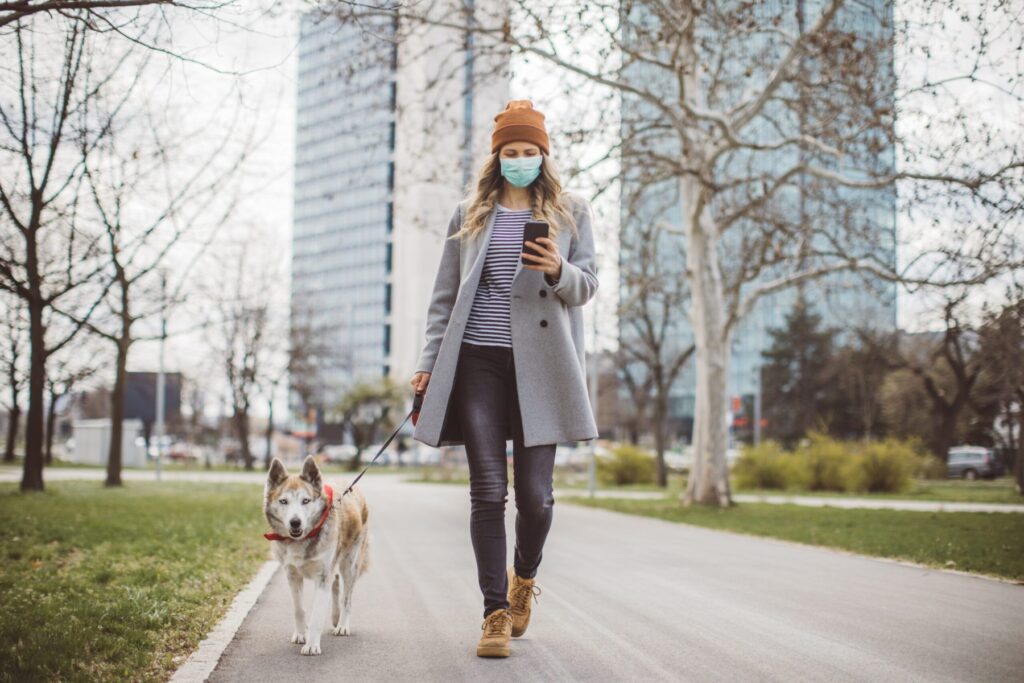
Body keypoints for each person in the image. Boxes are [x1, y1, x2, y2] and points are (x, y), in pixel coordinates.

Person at [409, 99, 600, 658]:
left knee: (536, 498)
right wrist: (427, 362)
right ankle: (494, 612)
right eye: (511, 152)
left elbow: (588, 285)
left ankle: (523, 578)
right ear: (498, 157)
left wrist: (557, 270)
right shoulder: (470, 213)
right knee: (488, 491)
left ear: (544, 154)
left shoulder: (572, 211)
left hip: (543, 366)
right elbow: (445, 296)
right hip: (478, 363)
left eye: (529, 151)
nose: (521, 160)